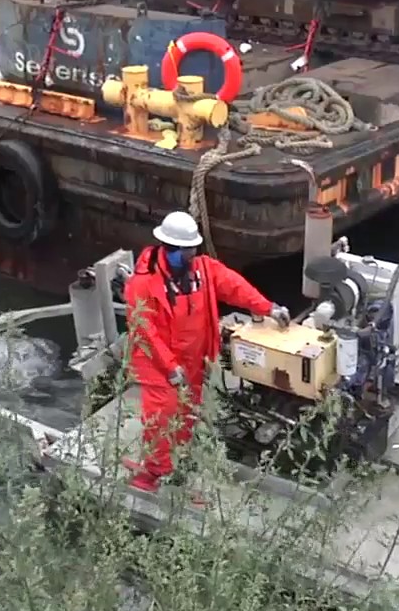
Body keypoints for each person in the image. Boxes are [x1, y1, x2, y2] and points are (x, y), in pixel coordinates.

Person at [122, 211, 290, 493]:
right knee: (161, 418)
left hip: (193, 359)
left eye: (191, 251)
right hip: (161, 364)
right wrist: (169, 366)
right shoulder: (143, 283)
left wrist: (267, 307)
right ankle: (152, 474)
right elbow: (144, 330)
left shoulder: (203, 270)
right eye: (184, 252)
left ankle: (179, 460)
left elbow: (235, 287)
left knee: (187, 413)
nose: (189, 258)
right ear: (169, 248)